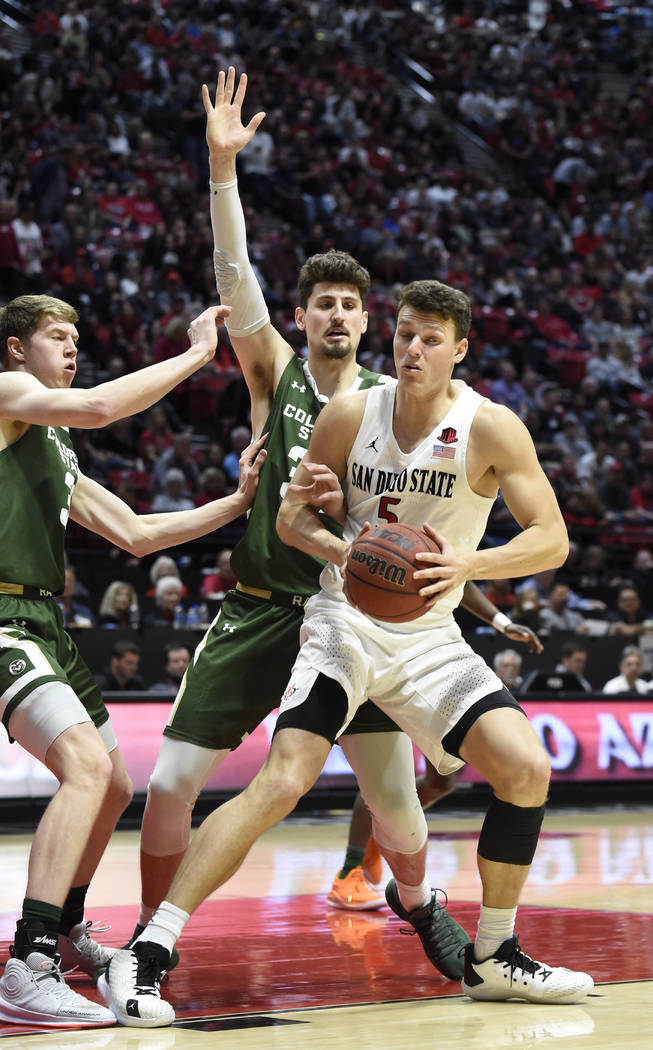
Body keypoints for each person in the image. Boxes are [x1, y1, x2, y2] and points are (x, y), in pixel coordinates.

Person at [101, 277, 593, 1026]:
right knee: (284, 779)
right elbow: (293, 519)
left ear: (459, 349)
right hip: (343, 620)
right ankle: (149, 948)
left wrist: (470, 566)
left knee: (525, 768)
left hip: (430, 634)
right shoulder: (349, 411)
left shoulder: (491, 427)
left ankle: (493, 956)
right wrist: (349, 549)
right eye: (403, 333)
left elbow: (550, 539)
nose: (412, 348)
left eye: (430, 337)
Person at [124, 67, 469, 1002]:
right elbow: (234, 275)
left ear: (369, 321)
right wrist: (221, 171)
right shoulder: (275, 369)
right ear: (305, 313)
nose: (335, 314)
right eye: (322, 301)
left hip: (350, 610)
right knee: (167, 786)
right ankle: (148, 949)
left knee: (397, 807)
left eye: (351, 305)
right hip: (260, 604)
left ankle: (419, 902)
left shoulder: (393, 406)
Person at [0, 292, 266, 1027]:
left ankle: (62, 927)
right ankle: (28, 964)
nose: (73, 346)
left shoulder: (50, 442)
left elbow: (134, 532)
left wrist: (235, 502)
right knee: (85, 769)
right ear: (18, 348)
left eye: (78, 336)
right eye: (58, 336)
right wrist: (192, 356)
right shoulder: (8, 394)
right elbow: (96, 407)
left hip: (41, 618)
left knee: (113, 783)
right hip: (0, 615)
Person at [330, 586, 544, 909]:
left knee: (441, 783)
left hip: (426, 656)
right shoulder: (376, 537)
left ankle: (376, 843)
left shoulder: (436, 542)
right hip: (375, 647)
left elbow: (460, 580)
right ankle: (350, 871)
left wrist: (501, 622)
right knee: (385, 773)